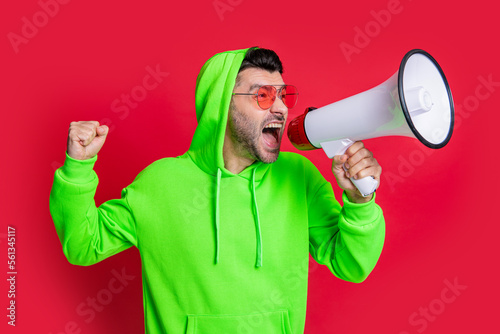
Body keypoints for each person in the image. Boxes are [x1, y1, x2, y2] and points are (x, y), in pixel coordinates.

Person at [50, 47, 385, 334]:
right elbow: (83, 246)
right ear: (221, 103)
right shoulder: (158, 182)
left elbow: (352, 265)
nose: (281, 108)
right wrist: (77, 167)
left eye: (283, 95)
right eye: (263, 95)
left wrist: (360, 201)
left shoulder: (299, 176)